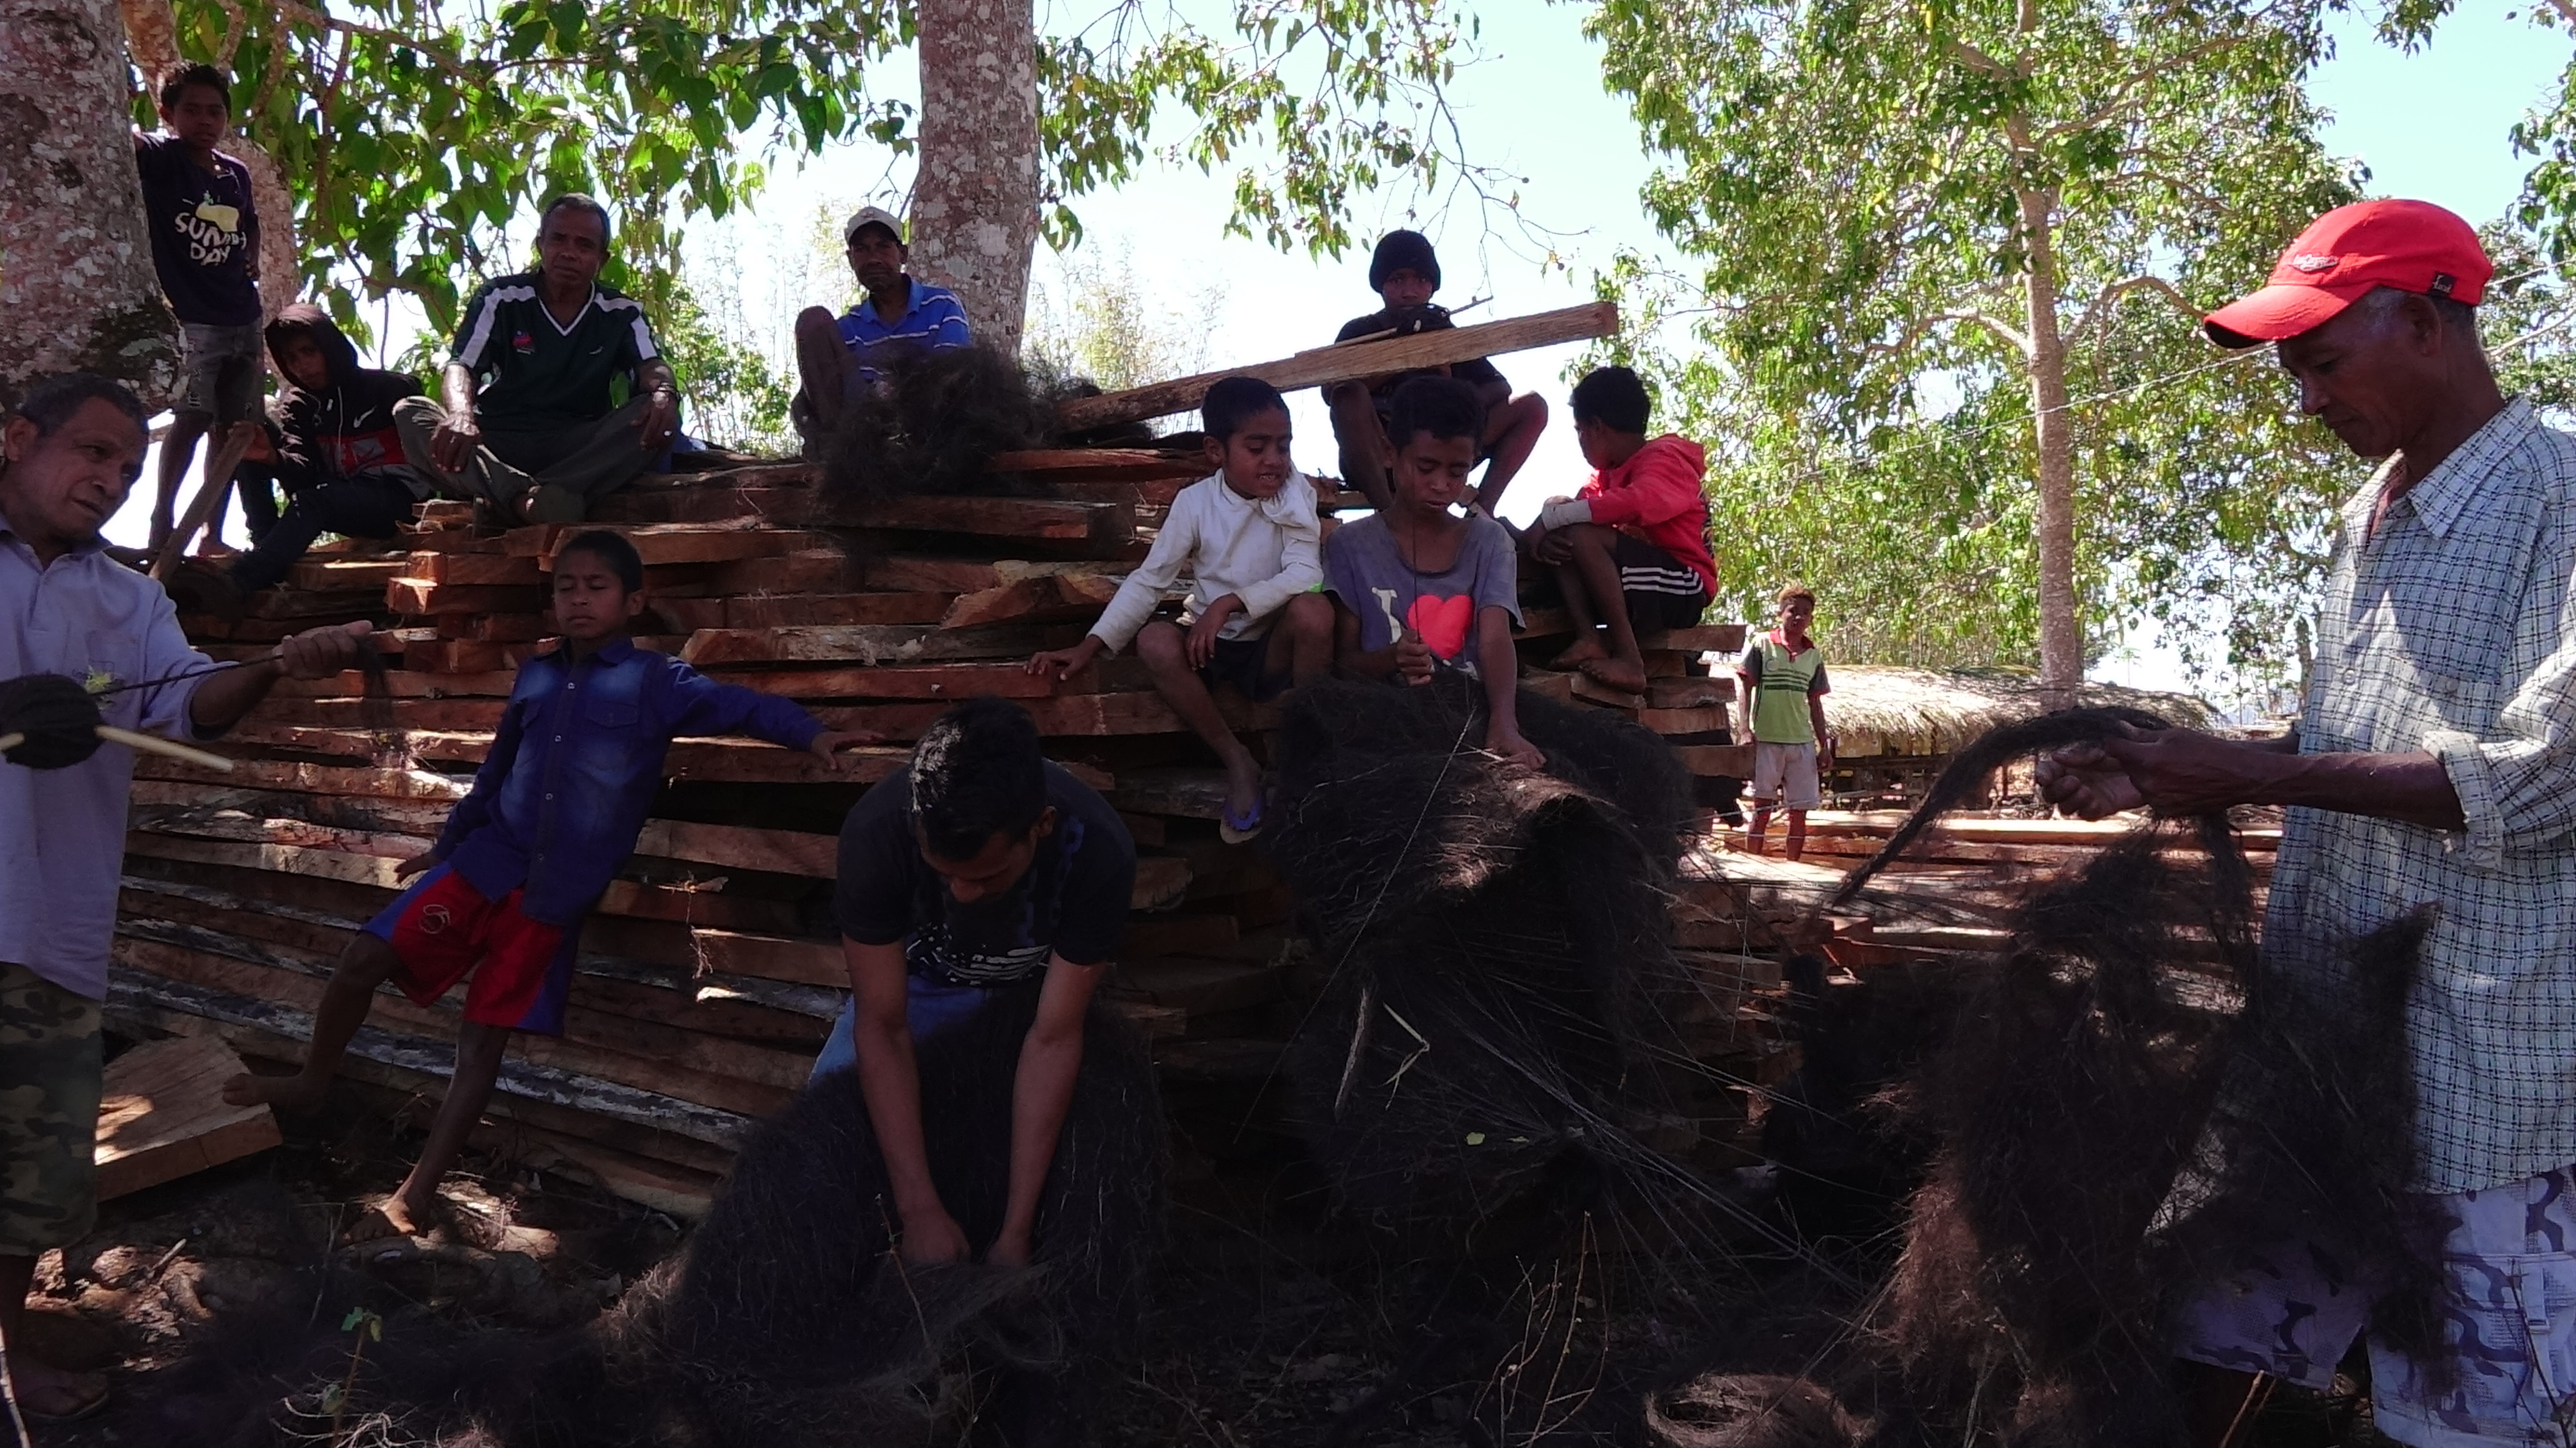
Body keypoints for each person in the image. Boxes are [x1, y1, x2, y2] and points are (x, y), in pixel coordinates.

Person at [2028, 200, 2576, 1448]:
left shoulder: (2559, 499)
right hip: (2317, 1032)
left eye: (2322, 363)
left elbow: (2544, 775)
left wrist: (2241, 773)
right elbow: (2347, 739)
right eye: (2294, 375)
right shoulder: (2364, 516)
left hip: (2477, 1067)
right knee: (2205, 1329)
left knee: (2479, 1416)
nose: (2307, 401)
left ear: (2425, 324)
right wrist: (2174, 775)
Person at [223, 530, 872, 1237]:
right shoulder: (536, 676)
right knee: (362, 958)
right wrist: (448, 845)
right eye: (567, 587)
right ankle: (312, 1081)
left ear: (634, 601)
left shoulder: (657, 681)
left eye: (596, 587)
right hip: (485, 863)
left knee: (481, 1043)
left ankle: (415, 1195)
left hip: (552, 895)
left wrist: (812, 736)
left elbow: (743, 706)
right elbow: (497, 772)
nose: (579, 599)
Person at [1, 373, 364, 1420]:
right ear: (19, 437)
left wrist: (273, 664)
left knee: (26, 1174)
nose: (112, 480)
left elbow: (193, 702)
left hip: (48, 927)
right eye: (93, 451)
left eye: (128, 467)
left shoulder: (130, 599)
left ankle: (4, 1355)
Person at [813, 696, 1138, 1271]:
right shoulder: (875, 834)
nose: (963, 894)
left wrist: (1015, 1236)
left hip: (1033, 1000)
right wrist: (919, 1212)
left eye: (987, 877)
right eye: (945, 875)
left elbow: (1054, 1035)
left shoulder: (1098, 850)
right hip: (923, 989)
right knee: (822, 1132)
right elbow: (882, 1026)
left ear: (1041, 826)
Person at [1027, 377, 1332, 840]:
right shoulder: (1194, 504)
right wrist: (1090, 646)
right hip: (1208, 646)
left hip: (1270, 644)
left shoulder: (1297, 494)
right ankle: (1238, 761)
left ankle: (1304, 756)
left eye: (1283, 446)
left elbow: (1306, 573)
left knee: (1316, 611)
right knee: (1154, 640)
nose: (1274, 459)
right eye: (1257, 447)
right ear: (1216, 451)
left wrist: (1231, 603)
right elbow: (1151, 580)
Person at [391, 195, 678, 525]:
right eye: (559, 239)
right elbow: (463, 366)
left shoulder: (622, 312)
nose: (569, 252)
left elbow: (651, 365)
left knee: (658, 413)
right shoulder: (501, 298)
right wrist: (460, 415)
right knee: (410, 412)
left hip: (580, 447)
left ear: (602, 258)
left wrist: (664, 392)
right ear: (541, 244)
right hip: (496, 440)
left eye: (584, 245)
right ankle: (525, 498)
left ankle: (516, 498)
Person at [1322, 376, 1543, 769]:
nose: (1441, 485)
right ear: (1390, 453)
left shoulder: (1489, 541)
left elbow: (1495, 640)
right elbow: (1345, 663)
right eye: (1426, 467)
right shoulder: (1350, 546)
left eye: (1457, 471)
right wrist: (1393, 659)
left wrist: (1504, 723)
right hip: (1382, 721)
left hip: (1470, 713)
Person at [182, 305, 432, 610]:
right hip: (335, 498)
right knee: (251, 434)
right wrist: (271, 457)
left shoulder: (391, 389)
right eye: (292, 359)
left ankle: (238, 582)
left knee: (316, 501)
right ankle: (266, 543)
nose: (303, 366)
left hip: (396, 503)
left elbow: (432, 459)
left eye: (309, 352)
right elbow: (305, 471)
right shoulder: (300, 405)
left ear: (329, 347)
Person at [1323, 230, 1549, 516]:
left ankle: (1482, 510)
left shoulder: (1442, 332)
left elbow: (1499, 389)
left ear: (1432, 287)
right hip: (1380, 457)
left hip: (1441, 451)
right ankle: (1389, 515)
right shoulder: (1361, 331)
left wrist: (1447, 384)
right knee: (1350, 394)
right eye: (1397, 280)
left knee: (1532, 406)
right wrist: (1405, 354)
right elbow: (1332, 393)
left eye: (1421, 280)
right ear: (1381, 285)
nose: (1410, 291)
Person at [1524, 366, 1718, 695]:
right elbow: (1578, 508)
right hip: (1647, 582)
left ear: (1596, 428)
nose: (1580, 441)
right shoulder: (1607, 476)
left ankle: (1630, 660)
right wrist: (1552, 514)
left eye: (1580, 431)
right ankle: (1589, 638)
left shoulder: (1665, 459)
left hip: (1685, 586)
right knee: (1568, 534)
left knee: (1579, 532)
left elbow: (1642, 502)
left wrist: (1555, 518)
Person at [133, 63, 263, 553]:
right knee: (190, 420)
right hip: (193, 319)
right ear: (168, 114)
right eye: (192, 110)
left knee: (233, 431)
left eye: (215, 112)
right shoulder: (163, 159)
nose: (205, 121)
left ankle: (213, 533)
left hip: (243, 317)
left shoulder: (235, 174)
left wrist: (252, 254)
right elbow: (130, 144)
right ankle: (162, 524)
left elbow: (250, 221)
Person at [791, 205, 973, 445]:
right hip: (863, 434)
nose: (873, 259)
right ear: (851, 259)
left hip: (929, 427)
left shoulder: (942, 306)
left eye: (883, 247)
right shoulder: (846, 329)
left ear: (903, 254)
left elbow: (950, 378)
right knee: (813, 321)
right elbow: (824, 395)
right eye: (862, 250)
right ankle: (837, 449)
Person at [1734, 584, 1834, 860]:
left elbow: (1815, 704)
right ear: (1781, 613)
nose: (1799, 617)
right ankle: (1754, 868)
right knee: (1762, 810)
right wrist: (1745, 729)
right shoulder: (1763, 645)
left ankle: (1793, 869)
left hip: (1801, 744)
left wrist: (1823, 746)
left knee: (1799, 814)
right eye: (1793, 611)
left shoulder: (1813, 656)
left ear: (1811, 618)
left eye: (1806, 613)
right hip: (1768, 740)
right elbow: (1745, 688)